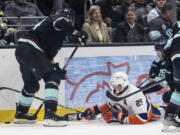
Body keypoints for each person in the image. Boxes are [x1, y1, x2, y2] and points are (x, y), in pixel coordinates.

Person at [14, 8, 88, 126]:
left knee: (32, 85)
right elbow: (61, 22)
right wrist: (77, 33)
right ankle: (50, 115)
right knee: (52, 79)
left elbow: (46, 55)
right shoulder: (60, 18)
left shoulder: (52, 32)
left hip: (22, 50)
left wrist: (55, 67)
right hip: (32, 49)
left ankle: (21, 114)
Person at [80, 72, 165, 124]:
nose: (116, 88)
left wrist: (122, 118)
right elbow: (109, 105)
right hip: (129, 112)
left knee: (161, 113)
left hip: (149, 113)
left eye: (118, 85)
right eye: (114, 85)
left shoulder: (135, 94)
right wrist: (94, 110)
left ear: (124, 84)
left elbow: (142, 118)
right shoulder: (115, 92)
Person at [161, 21, 180, 131]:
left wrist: (168, 67)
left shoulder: (175, 28)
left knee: (179, 90)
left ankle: (168, 119)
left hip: (176, 61)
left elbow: (166, 48)